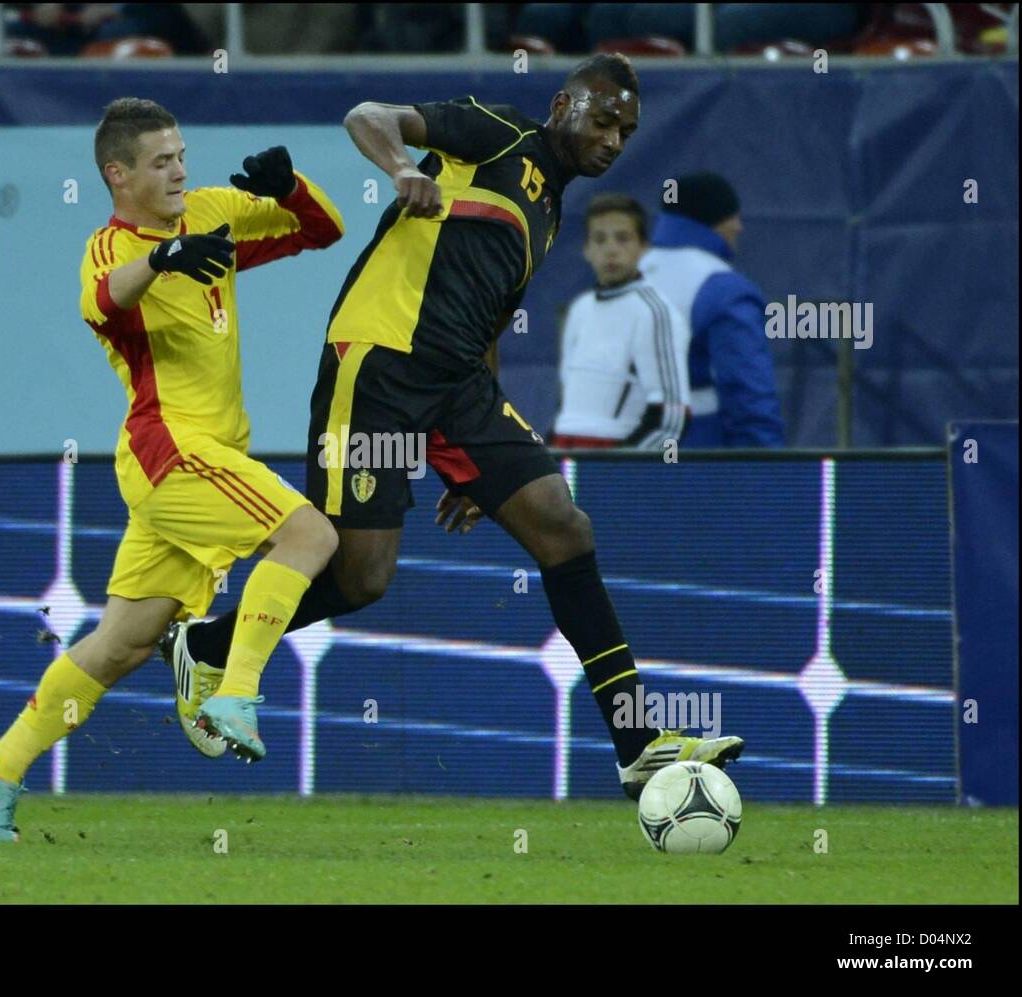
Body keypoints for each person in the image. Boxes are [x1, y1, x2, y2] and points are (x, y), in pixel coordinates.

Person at [163, 55, 744, 799]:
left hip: (461, 386)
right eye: (601, 119)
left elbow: (492, 316)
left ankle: (639, 743)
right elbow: (366, 114)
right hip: (379, 362)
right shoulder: (496, 132)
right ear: (563, 103)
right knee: (362, 574)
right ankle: (206, 643)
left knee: (563, 527)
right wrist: (404, 166)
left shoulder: (551, 210)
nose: (612, 140)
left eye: (625, 132)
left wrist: (478, 462)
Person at [0, 97, 345, 841]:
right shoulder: (110, 245)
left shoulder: (211, 211)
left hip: (206, 456)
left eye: (181, 155)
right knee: (309, 537)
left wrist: (290, 185)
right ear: (118, 173)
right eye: (161, 161)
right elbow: (102, 300)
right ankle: (234, 691)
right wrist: (162, 258)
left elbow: (321, 230)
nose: (179, 170)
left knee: (122, 643)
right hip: (172, 451)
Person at [640, 172, 785, 447]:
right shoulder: (724, 288)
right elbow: (747, 393)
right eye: (734, 216)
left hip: (611, 461)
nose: (740, 227)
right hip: (694, 453)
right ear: (716, 221)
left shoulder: (624, 275)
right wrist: (766, 470)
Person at [551, 193, 689, 449]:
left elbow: (672, 417)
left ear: (644, 246)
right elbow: (567, 406)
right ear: (586, 250)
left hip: (614, 462)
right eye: (600, 239)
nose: (611, 249)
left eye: (623, 238)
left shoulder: (655, 313)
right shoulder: (579, 309)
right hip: (566, 459)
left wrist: (621, 471)